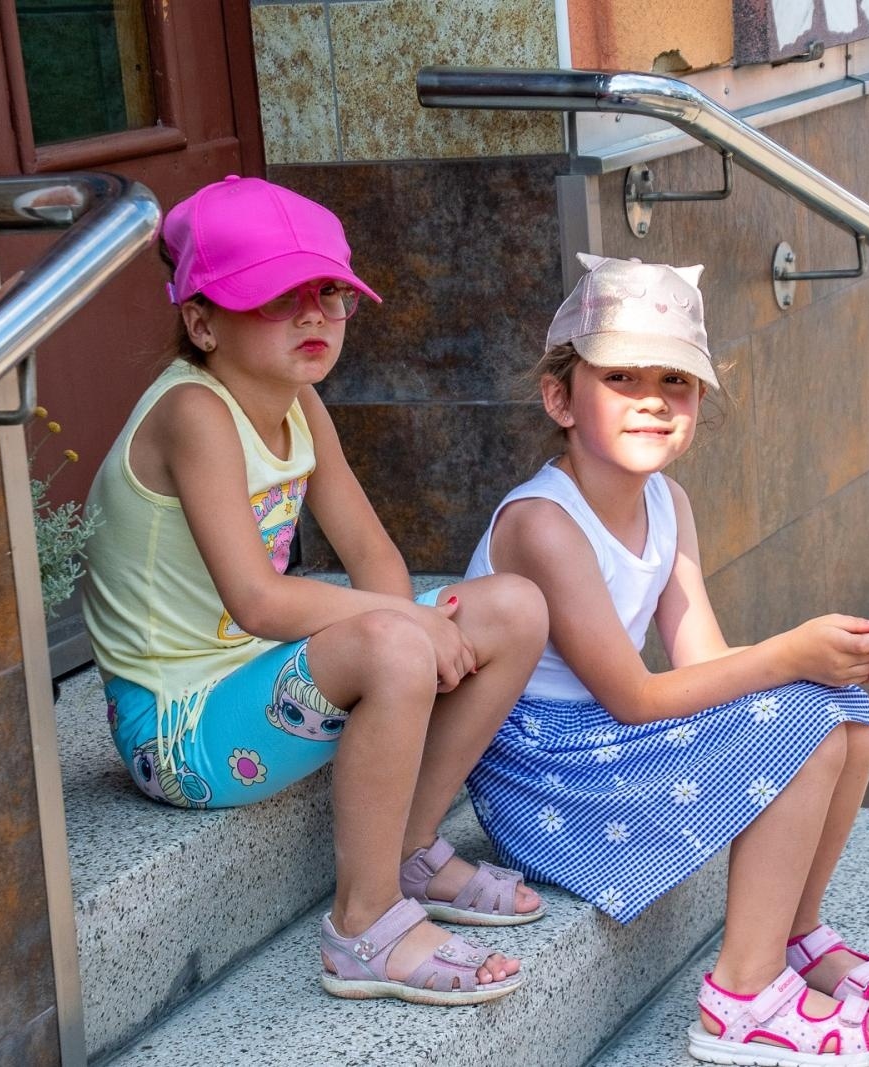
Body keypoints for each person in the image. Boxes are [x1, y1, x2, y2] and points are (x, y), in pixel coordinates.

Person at [81, 176, 549, 1007]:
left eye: (331, 294)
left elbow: (374, 555)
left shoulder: (301, 406)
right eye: (277, 296)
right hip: (180, 726)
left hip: (257, 678)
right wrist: (403, 627)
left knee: (513, 607)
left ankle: (405, 846)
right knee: (393, 637)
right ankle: (365, 924)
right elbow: (260, 601)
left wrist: (407, 617)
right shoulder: (194, 412)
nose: (314, 316)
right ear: (201, 321)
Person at [461, 254, 869, 1066]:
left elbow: (703, 663)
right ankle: (743, 998)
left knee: (843, 710)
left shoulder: (668, 503)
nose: (652, 398)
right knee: (805, 720)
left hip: (600, 741)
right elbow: (640, 697)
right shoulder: (544, 523)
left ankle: (796, 931)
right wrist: (788, 654)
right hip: (544, 773)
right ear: (560, 398)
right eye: (622, 378)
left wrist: (827, 659)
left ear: (700, 400)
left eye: (675, 381)